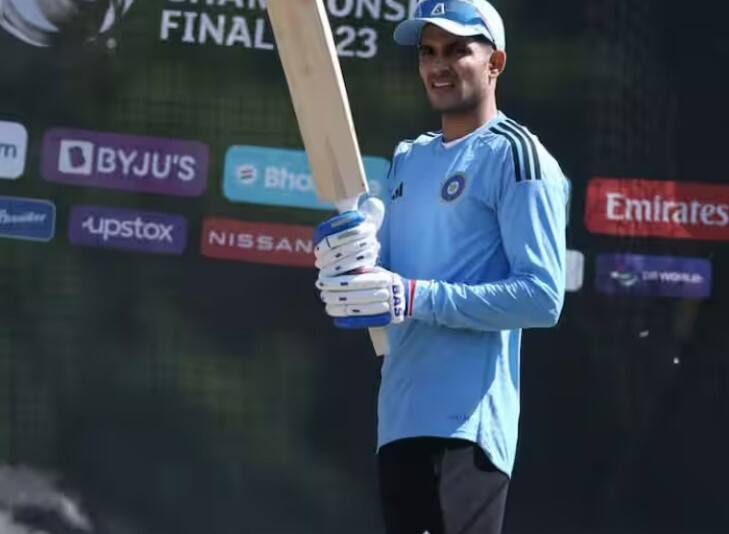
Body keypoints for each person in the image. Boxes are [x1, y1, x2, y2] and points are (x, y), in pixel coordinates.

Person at [314, 1, 569, 532]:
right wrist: (349, 269)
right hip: (400, 420)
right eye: (428, 52)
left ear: (495, 62)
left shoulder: (517, 156)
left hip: (467, 430)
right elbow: (384, 290)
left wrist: (412, 296)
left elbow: (542, 296)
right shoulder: (409, 157)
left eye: (458, 50)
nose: (439, 64)